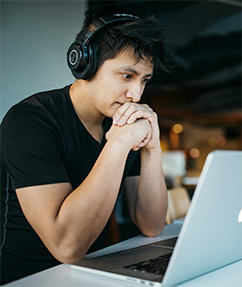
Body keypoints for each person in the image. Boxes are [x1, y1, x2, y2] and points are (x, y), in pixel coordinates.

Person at [0, 4, 171, 285]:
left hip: (90, 274)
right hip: (25, 278)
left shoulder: (121, 123)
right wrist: (117, 144)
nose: (136, 93)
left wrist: (153, 148)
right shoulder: (31, 120)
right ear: (85, 63)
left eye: (145, 80)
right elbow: (66, 247)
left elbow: (151, 226)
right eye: (127, 76)